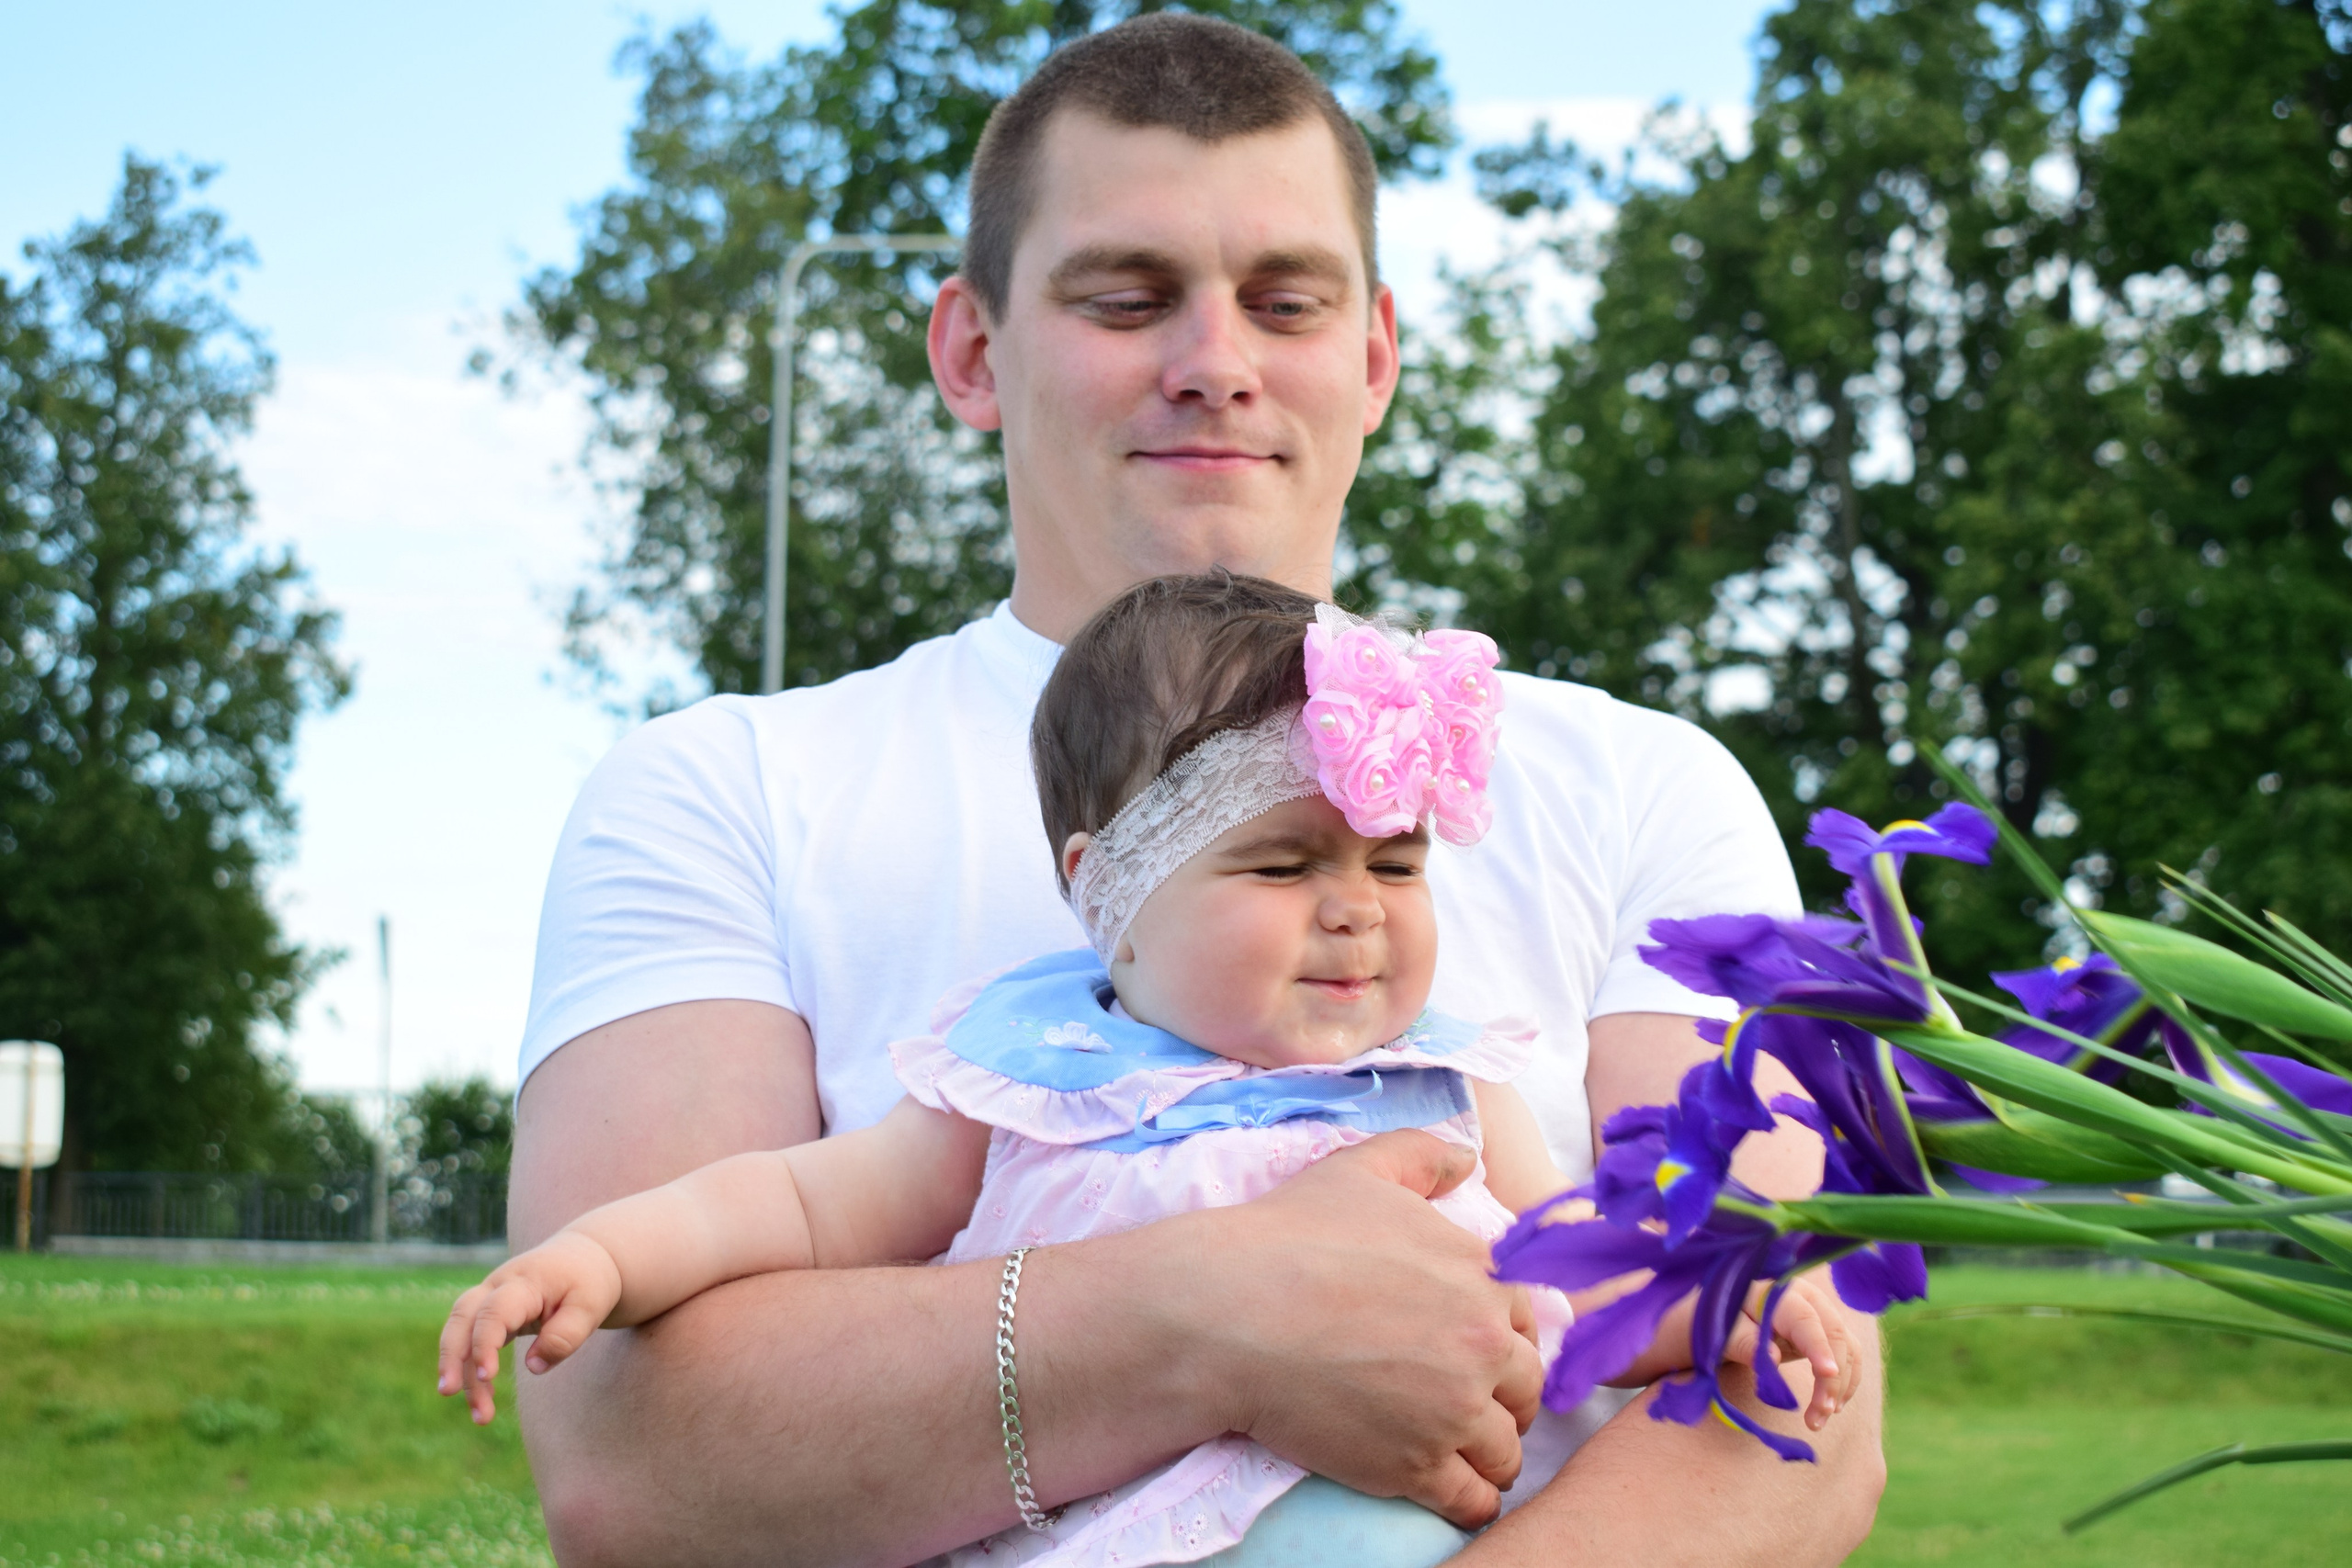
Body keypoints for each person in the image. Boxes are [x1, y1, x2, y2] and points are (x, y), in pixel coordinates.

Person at [512, 15, 1887, 1567]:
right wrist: (1212, 1318)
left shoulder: (1644, 785)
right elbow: (635, 1461)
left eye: (1285, 301)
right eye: (1128, 297)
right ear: (971, 350)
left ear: (1374, 356)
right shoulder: (723, 790)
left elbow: (1792, 1396)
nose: (1215, 365)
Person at [463, 578, 1861, 1566]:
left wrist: (1724, 1299)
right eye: (1280, 863)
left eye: (1394, 863)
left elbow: (1579, 1269)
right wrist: (602, 1255)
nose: (1355, 907)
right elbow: (790, 1206)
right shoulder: (1024, 1083)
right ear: (1105, 890)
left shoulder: (1452, 1088)